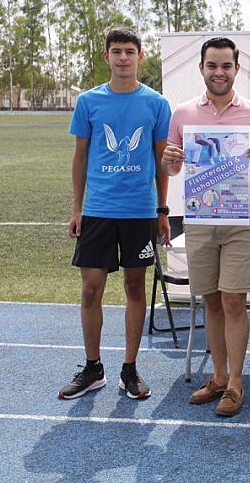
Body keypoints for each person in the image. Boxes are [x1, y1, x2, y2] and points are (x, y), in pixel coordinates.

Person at [161, 37, 250, 417]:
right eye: (212, 65)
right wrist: (169, 159)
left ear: (236, 70)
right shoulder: (181, 113)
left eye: (226, 66)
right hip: (198, 220)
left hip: (242, 219)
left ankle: (237, 383)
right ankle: (217, 376)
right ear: (202, 68)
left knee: (233, 299)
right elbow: (173, 168)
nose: (219, 72)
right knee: (210, 298)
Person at [59, 27, 171, 401]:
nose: (124, 57)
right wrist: (77, 207)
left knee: (134, 288)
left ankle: (129, 368)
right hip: (98, 212)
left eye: (130, 51)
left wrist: (161, 209)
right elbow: (80, 157)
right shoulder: (89, 102)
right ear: (106, 57)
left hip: (139, 213)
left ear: (140, 56)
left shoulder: (156, 103)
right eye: (117, 51)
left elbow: (161, 161)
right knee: (91, 290)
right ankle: (93, 369)